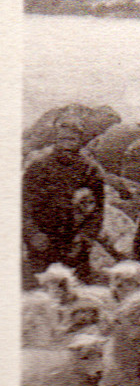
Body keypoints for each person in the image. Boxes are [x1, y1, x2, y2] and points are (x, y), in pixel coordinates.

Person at [21, 115, 105, 287]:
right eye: (62, 139)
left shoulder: (90, 169)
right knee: (41, 291)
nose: (67, 144)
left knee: (76, 291)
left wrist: (84, 238)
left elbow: (98, 211)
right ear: (55, 139)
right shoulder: (38, 167)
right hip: (42, 241)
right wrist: (33, 234)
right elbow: (23, 207)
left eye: (72, 139)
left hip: (74, 244)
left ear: (80, 140)